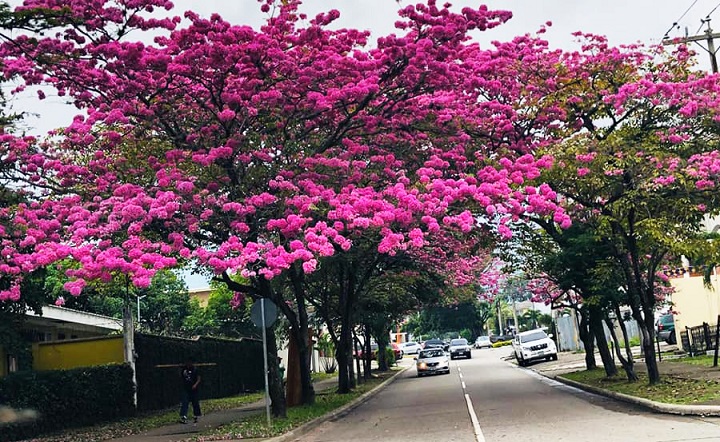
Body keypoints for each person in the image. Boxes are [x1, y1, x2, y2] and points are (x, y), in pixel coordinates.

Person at [180, 359, 202, 424]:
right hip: (186, 388)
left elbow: (199, 379)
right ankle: (183, 416)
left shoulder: (195, 369)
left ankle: (196, 415)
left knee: (195, 402)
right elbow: (181, 376)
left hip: (194, 389)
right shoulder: (184, 370)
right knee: (185, 402)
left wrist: (195, 385)